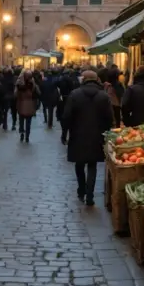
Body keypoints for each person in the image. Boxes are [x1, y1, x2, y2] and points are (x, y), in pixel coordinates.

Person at [62, 69, 114, 206]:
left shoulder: (75, 94)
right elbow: (109, 118)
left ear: (83, 79)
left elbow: (66, 116)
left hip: (77, 134)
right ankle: (90, 194)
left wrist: (64, 133)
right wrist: (107, 132)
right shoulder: (103, 96)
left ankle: (81, 190)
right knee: (92, 164)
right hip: (97, 135)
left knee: (79, 164)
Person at [14, 68, 40, 143]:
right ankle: (27, 136)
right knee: (28, 122)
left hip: (21, 104)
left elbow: (15, 94)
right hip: (30, 104)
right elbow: (38, 93)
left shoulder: (19, 84)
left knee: (21, 120)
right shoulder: (33, 84)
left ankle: (22, 132)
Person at [57, 68, 76, 145]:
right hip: (69, 99)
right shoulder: (70, 80)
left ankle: (63, 137)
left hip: (62, 99)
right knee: (70, 120)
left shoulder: (60, 79)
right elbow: (72, 89)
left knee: (63, 119)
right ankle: (69, 138)